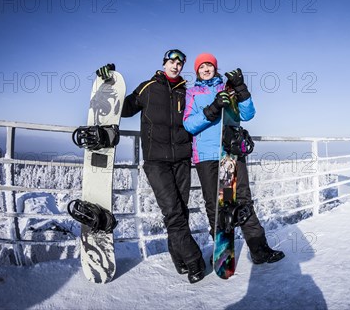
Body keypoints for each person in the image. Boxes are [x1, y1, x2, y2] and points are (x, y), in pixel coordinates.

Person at [101, 49, 206, 283]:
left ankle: (178, 258)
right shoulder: (147, 87)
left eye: (180, 63)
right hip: (156, 162)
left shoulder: (185, 93)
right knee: (173, 211)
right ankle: (194, 259)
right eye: (172, 61)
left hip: (181, 160)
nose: (176, 66)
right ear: (164, 63)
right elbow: (124, 108)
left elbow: (196, 119)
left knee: (181, 210)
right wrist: (109, 83)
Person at [183, 53, 284, 264]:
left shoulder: (227, 88)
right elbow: (189, 125)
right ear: (197, 71)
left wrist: (241, 88)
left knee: (242, 201)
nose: (206, 68)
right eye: (202, 66)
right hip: (206, 156)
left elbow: (248, 114)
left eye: (209, 65)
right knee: (216, 205)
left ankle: (260, 250)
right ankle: (222, 252)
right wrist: (213, 108)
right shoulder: (192, 93)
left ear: (215, 67)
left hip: (229, 154)